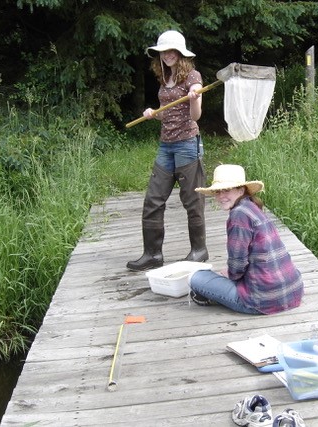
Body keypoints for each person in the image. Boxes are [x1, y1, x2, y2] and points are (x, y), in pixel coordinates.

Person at [127, 30, 208, 271]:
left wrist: (194, 99)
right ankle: (152, 254)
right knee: (153, 199)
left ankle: (199, 251)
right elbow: (167, 113)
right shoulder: (165, 78)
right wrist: (153, 113)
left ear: (181, 54)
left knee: (192, 200)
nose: (167, 55)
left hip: (186, 144)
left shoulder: (193, 76)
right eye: (164, 51)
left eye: (172, 51)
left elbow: (196, 116)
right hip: (166, 145)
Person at [188, 164, 304, 314]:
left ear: (241, 190)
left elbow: (237, 265)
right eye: (218, 191)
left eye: (227, 190)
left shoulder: (238, 215)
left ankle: (217, 297)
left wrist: (230, 274)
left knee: (195, 277)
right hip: (293, 291)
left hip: (262, 301)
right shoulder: (252, 207)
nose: (221, 196)